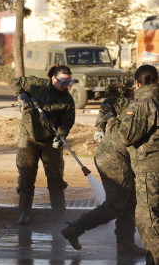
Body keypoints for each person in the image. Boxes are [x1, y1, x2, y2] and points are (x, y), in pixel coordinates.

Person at [59, 95, 140, 254]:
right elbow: (109, 102)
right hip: (113, 157)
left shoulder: (145, 103)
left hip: (122, 156)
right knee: (116, 205)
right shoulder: (148, 104)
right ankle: (75, 229)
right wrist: (101, 126)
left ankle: (126, 244)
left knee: (129, 201)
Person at [106, 64, 159, 265]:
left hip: (150, 172)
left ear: (137, 83)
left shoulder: (142, 104)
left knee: (149, 224)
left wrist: (111, 122)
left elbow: (126, 136)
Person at [10, 65, 75, 225]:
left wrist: (61, 133)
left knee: (56, 180)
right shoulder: (36, 84)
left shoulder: (67, 99)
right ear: (53, 78)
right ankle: (24, 214)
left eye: (69, 82)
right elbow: (14, 82)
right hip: (29, 139)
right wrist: (22, 95)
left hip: (51, 142)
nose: (66, 85)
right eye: (63, 81)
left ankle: (59, 216)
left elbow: (68, 120)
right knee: (26, 178)